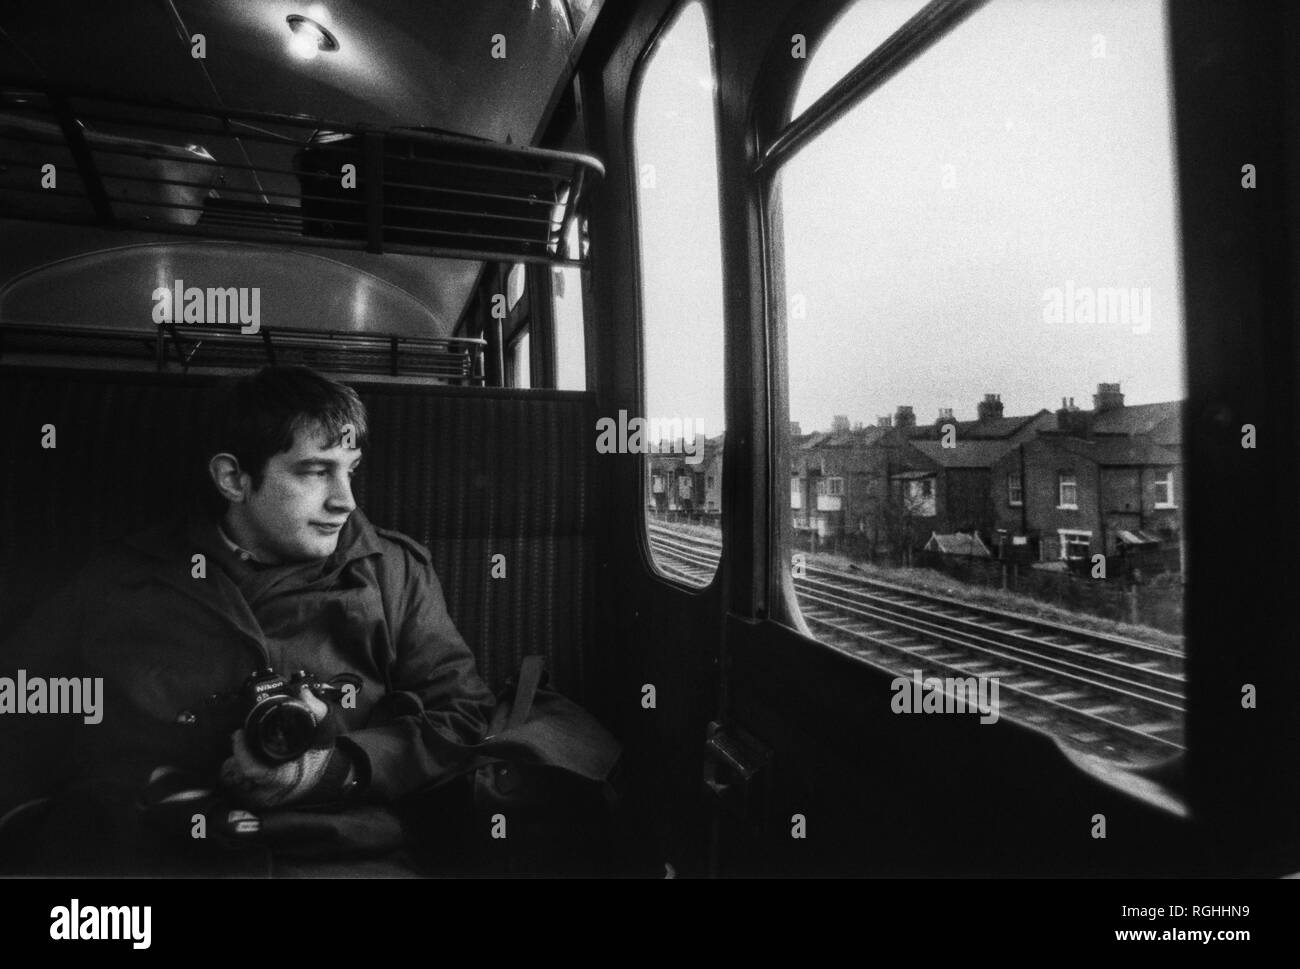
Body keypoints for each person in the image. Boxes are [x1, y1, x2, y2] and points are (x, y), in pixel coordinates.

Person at [0, 366, 500, 876]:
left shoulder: (393, 573)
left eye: (350, 469)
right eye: (315, 471)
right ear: (234, 479)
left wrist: (338, 769)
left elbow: (465, 715)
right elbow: (17, 699)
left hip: (339, 856)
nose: (345, 499)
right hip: (150, 855)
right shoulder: (122, 577)